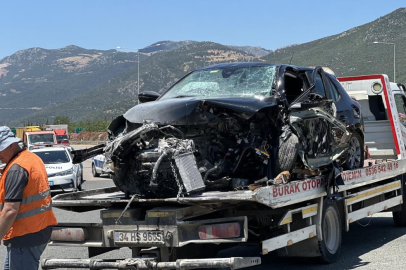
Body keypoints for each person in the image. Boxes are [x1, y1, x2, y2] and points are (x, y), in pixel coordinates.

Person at [0, 126, 57, 270]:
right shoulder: (30, 158)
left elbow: (10, 211)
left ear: (12, 145)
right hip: (37, 231)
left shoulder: (16, 168)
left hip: (24, 236)